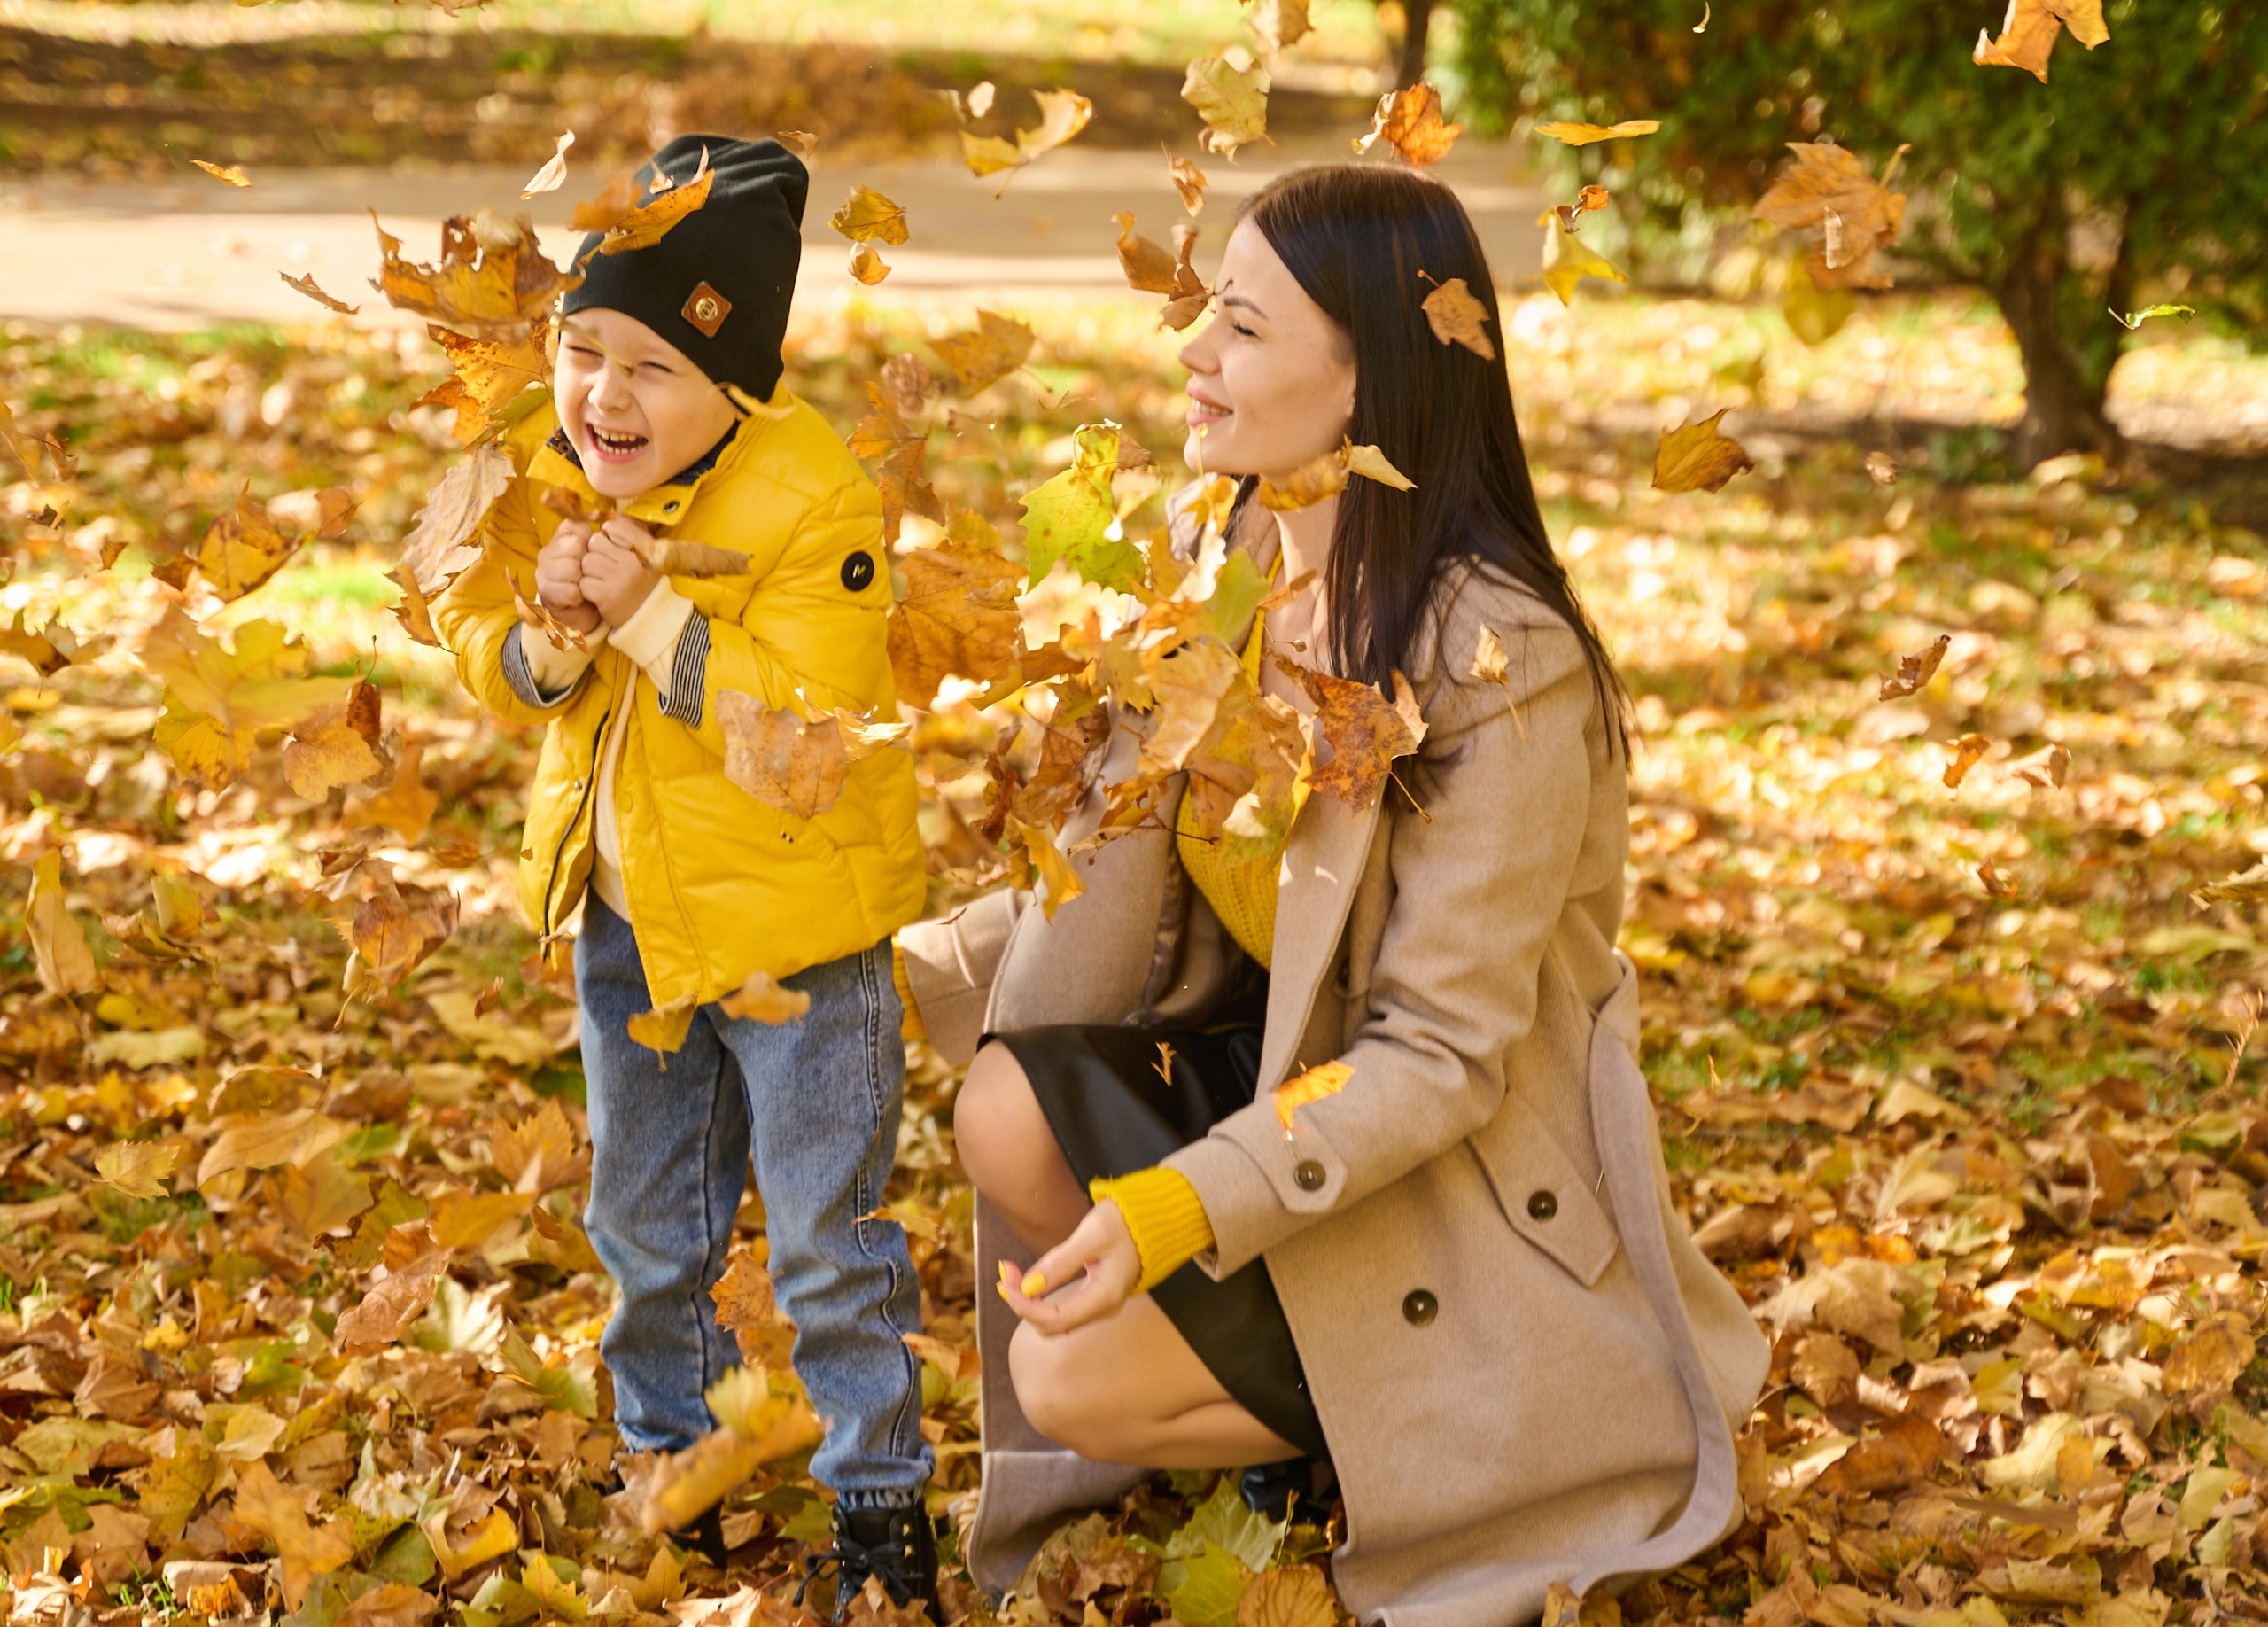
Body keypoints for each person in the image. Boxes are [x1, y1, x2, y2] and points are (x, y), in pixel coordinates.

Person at [897, 164, 1770, 1625]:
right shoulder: (1222, 554)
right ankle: (1277, 1377)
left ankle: (1370, 1429)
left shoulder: (1502, 661)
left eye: (1241, 327)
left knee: (1064, 1373)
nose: (1193, 351)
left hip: (1448, 1171)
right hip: (1278, 1077)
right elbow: (1127, 888)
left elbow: (1440, 1055)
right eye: (1207, 315)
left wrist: (1188, 1206)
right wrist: (881, 975)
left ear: (1368, 379)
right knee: (999, 1100)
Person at [431, 136, 939, 1619]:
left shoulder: (815, 504)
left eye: (650, 366)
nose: (602, 396)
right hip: (631, 923)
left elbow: (808, 744)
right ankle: (679, 1464)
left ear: (741, 382)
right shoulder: (554, 469)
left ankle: (878, 1504)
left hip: (802, 940)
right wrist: (544, 647)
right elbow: (486, 646)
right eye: (581, 349)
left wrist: (653, 621)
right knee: (648, 1231)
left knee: (829, 1247)